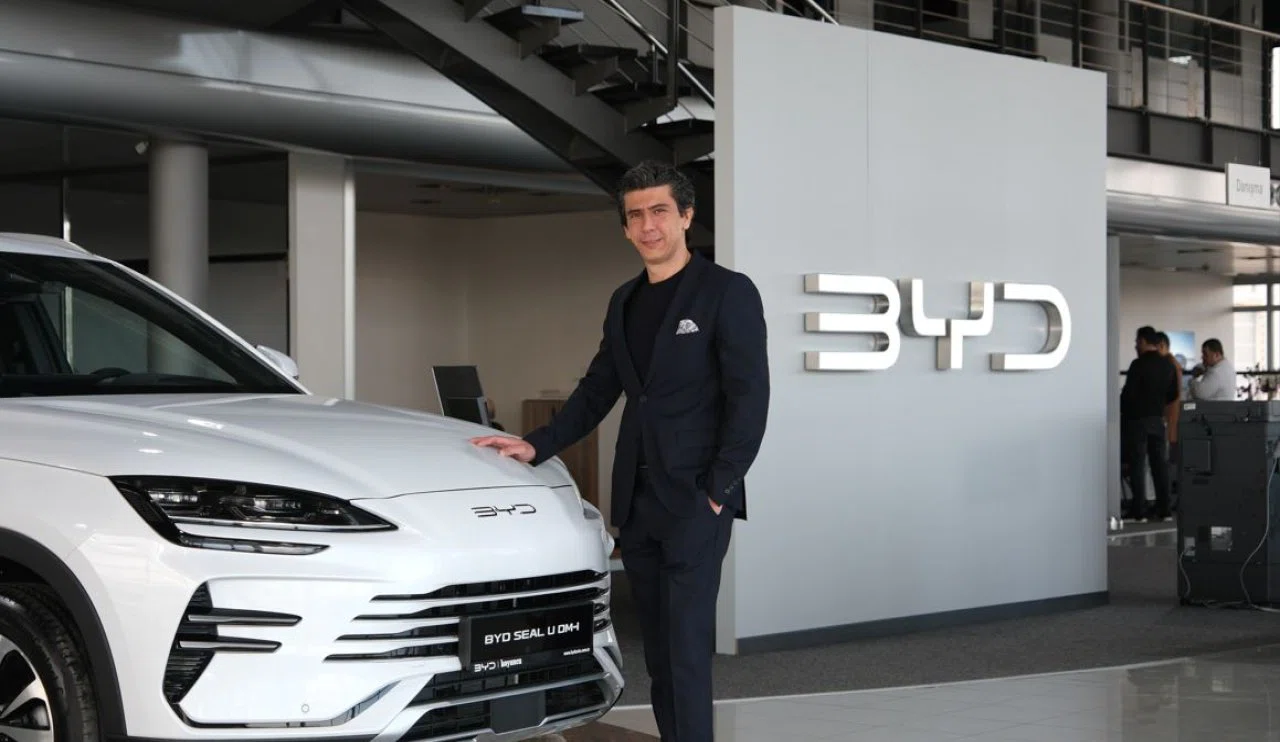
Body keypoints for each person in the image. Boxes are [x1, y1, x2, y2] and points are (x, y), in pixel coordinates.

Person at [470, 160, 770, 742]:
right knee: (658, 654)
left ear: (686, 216)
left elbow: (750, 399)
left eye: (659, 211)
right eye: (635, 216)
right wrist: (535, 444)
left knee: (686, 653)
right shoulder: (624, 300)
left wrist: (719, 489)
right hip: (636, 500)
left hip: (695, 500)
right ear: (626, 228)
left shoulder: (727, 292)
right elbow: (598, 389)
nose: (648, 225)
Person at [1121, 326, 1178, 521]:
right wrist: (1158, 404)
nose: (1136, 346)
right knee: (1159, 465)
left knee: (1137, 465)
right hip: (1157, 419)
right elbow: (1173, 393)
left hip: (1137, 420)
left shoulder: (1138, 365)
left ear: (1143, 341)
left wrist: (1125, 409)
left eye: (1137, 342)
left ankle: (1139, 511)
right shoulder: (1168, 365)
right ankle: (1164, 509)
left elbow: (1128, 394)